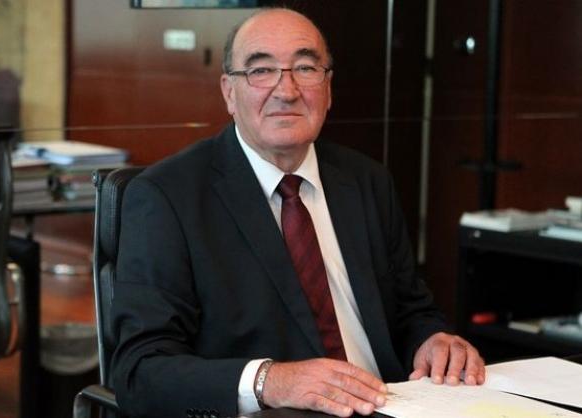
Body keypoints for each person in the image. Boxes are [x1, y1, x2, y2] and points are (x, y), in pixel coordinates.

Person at [110, 7, 485, 418]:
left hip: (392, 404)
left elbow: (410, 310)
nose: (286, 91)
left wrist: (433, 340)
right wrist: (271, 381)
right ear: (229, 92)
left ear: (328, 88)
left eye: (305, 68)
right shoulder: (168, 197)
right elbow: (140, 371)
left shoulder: (366, 180)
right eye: (261, 71)